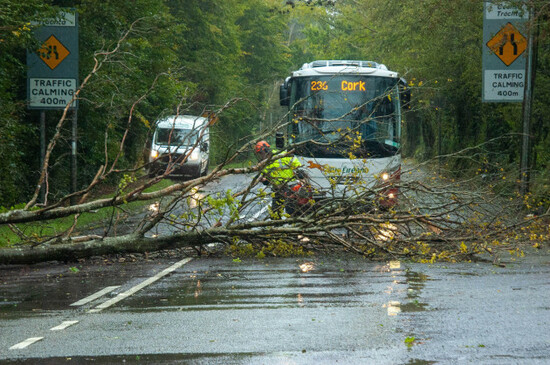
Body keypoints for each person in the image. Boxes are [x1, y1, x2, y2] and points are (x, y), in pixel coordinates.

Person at [254, 140, 305, 218]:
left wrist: (300, 175)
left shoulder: (282, 154)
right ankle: (276, 228)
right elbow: (267, 180)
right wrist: (264, 181)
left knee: (292, 212)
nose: (261, 155)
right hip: (277, 189)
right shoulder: (264, 163)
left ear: (266, 150)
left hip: (290, 188)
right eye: (259, 154)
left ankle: (294, 227)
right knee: (275, 214)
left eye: (261, 153)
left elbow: (297, 165)